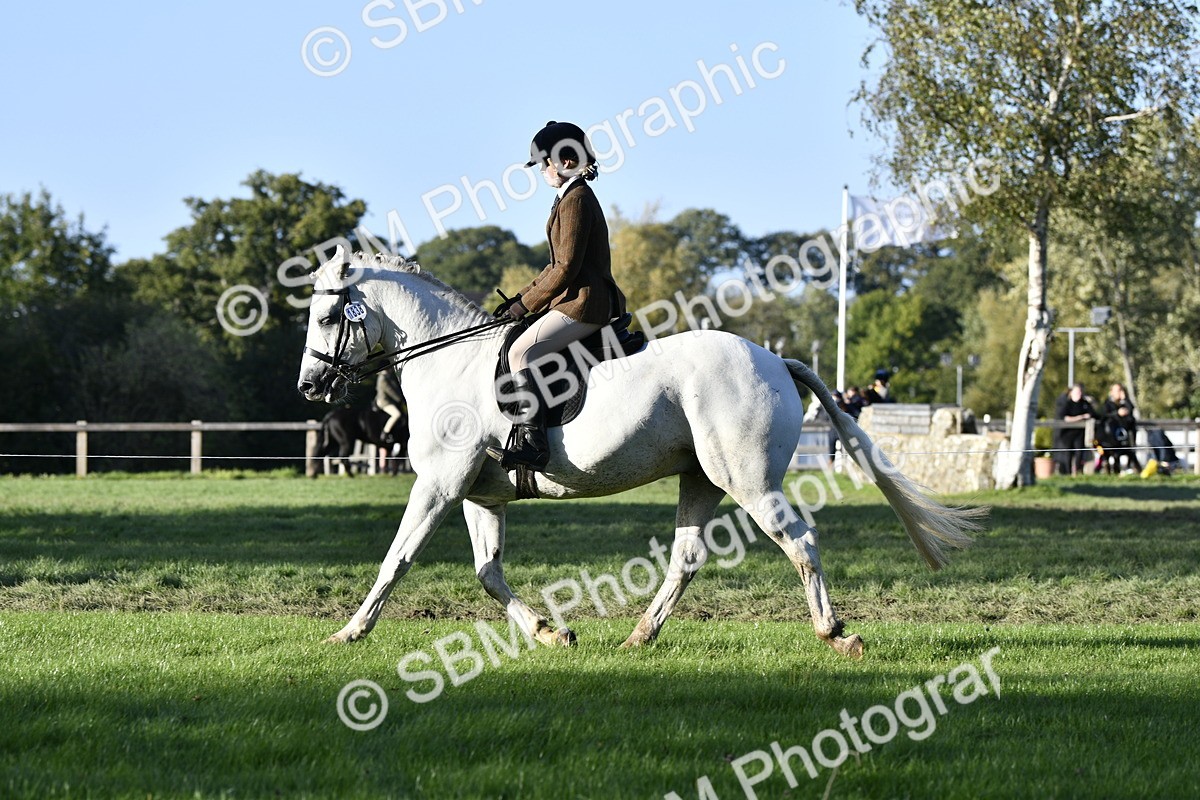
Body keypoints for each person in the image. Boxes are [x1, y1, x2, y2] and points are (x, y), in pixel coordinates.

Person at [486, 121, 627, 472]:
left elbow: (564, 268)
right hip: (574, 299)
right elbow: (553, 267)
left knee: (521, 352)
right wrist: (520, 297)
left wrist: (525, 305)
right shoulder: (567, 197)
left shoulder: (576, 199)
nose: (543, 171)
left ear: (565, 160)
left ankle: (533, 446)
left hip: (585, 302)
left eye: (545, 163)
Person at [1054, 383, 1093, 475]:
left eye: (1080, 392)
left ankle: (1078, 472)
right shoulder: (1067, 403)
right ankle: (1068, 473)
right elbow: (1064, 417)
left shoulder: (1084, 403)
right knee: (1068, 453)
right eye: (1076, 392)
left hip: (1079, 433)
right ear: (1071, 393)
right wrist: (1080, 417)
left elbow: (1092, 414)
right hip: (1067, 433)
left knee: (1079, 452)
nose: (1079, 394)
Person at [1100, 383, 1141, 473]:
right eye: (1117, 390)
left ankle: (1134, 470)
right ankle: (1112, 470)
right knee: (1113, 454)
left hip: (1125, 435)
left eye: (1120, 390)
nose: (1119, 393)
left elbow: (1131, 412)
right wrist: (1117, 413)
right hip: (1111, 437)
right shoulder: (1108, 403)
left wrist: (1125, 399)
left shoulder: (1125, 402)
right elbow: (1104, 416)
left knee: (1130, 452)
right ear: (1111, 392)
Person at [375, 370, 405, 446]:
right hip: (384, 402)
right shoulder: (383, 378)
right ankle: (385, 433)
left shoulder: (386, 377)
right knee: (397, 414)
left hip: (387, 401)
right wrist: (400, 399)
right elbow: (390, 391)